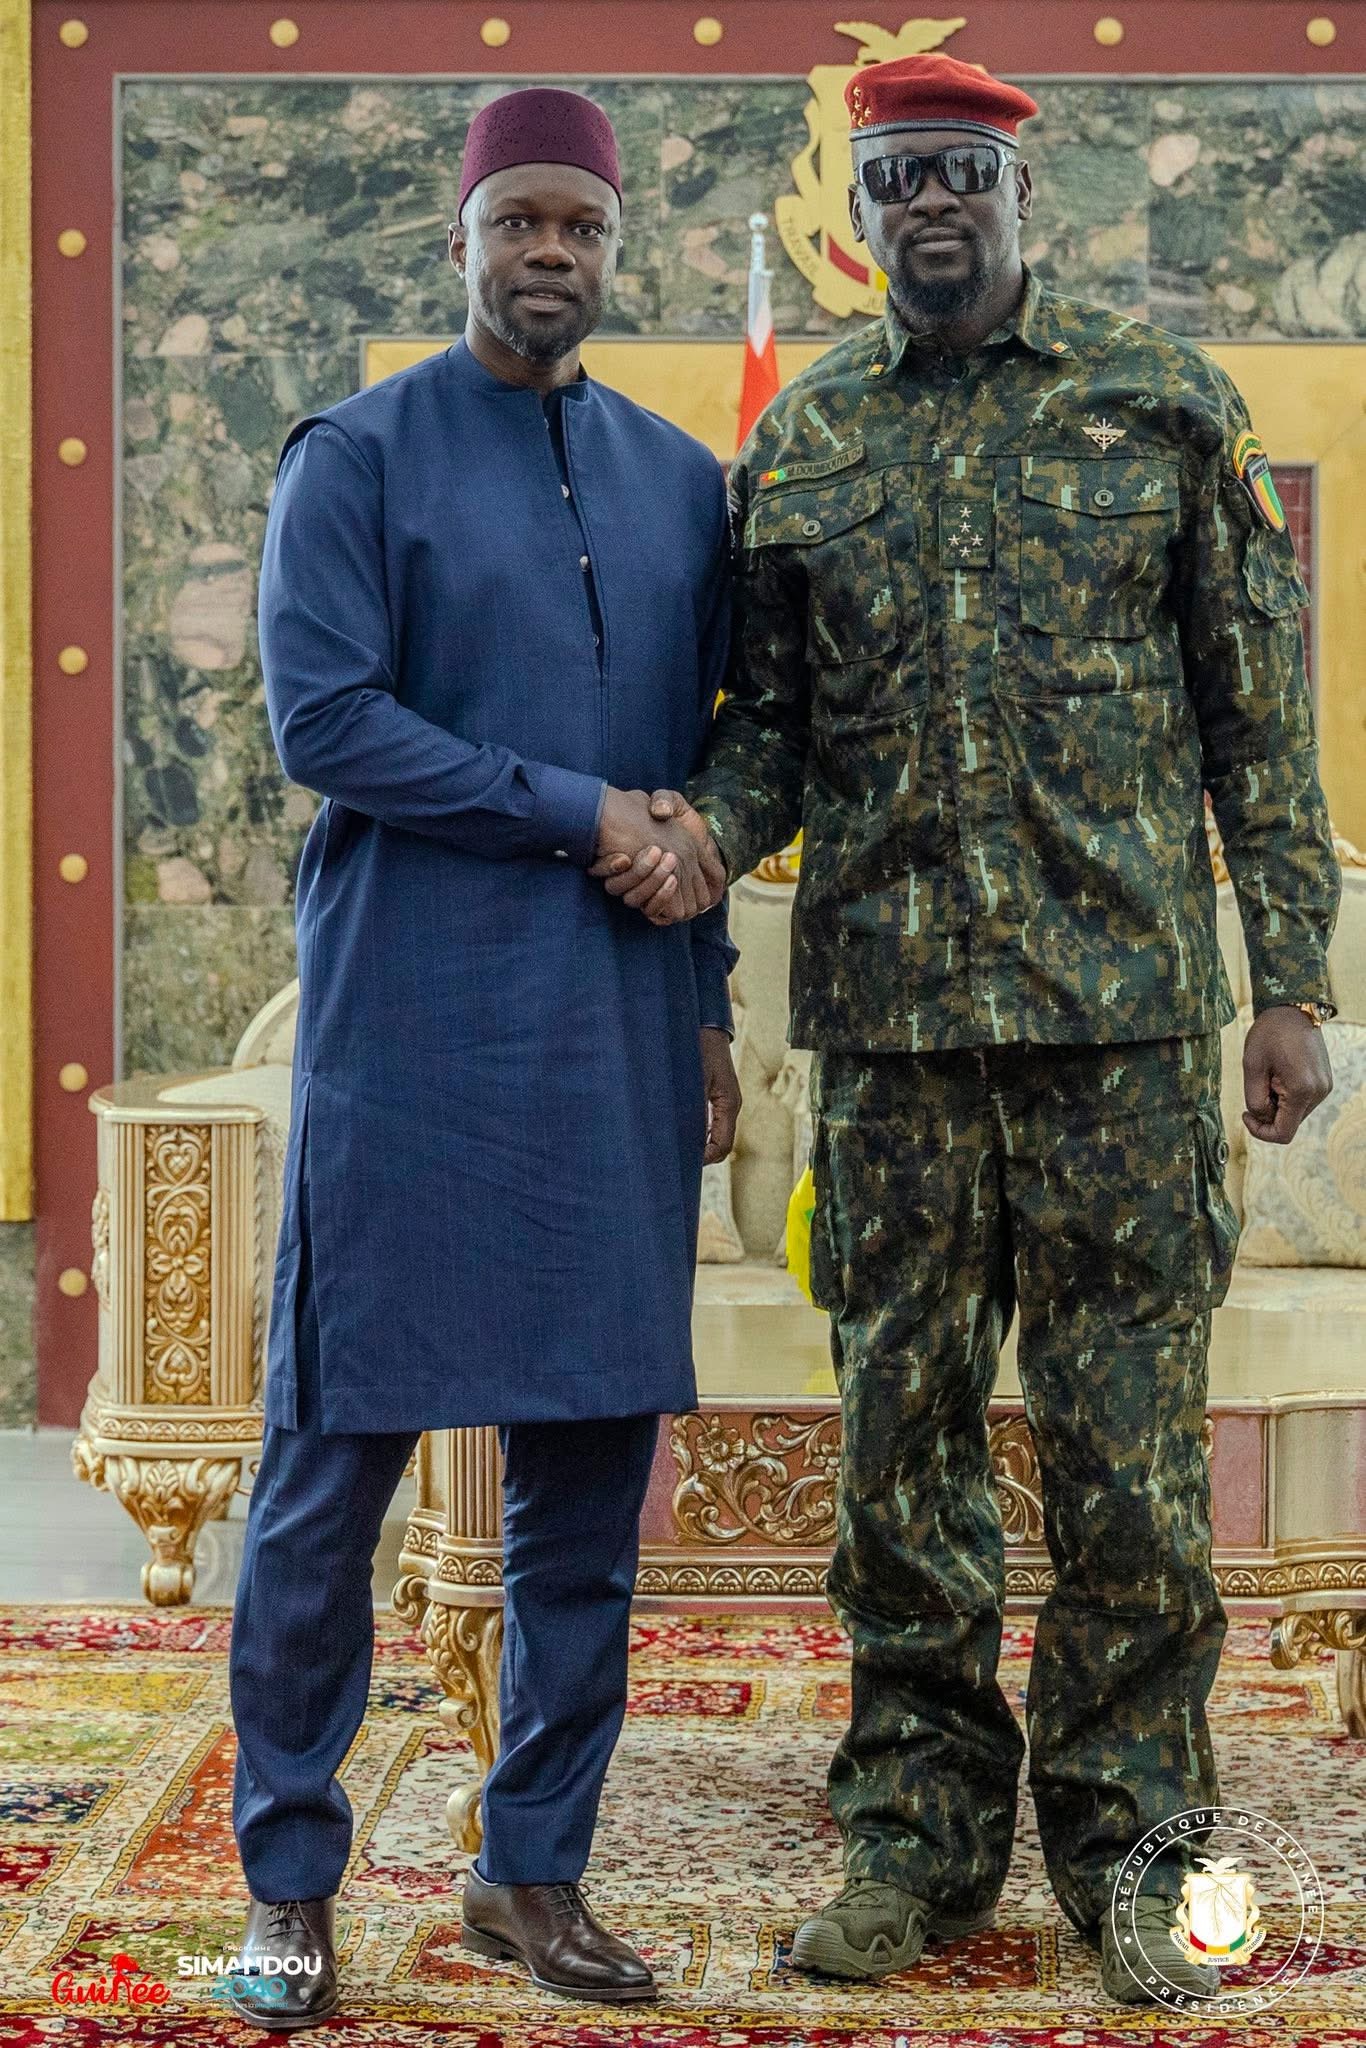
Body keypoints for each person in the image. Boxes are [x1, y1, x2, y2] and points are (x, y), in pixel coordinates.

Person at [598, 50, 1338, 2008]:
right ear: (858, 210)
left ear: (1021, 194)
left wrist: (1286, 977)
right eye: (897, 175)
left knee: (1126, 1470)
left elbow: (1257, 717)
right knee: (897, 1458)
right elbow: (765, 727)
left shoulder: (1157, 402)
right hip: (892, 1039)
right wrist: (693, 835)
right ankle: (912, 1839)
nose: (928, 202)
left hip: (1118, 1033)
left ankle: (1138, 1849)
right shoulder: (809, 437)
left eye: (959, 174)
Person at [227, 86, 736, 2028]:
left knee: (586, 1492)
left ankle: (533, 1869)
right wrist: (571, 809)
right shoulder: (354, 455)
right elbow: (324, 721)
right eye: (517, 220)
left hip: (611, 1036)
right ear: (458, 239)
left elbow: (687, 787)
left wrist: (707, 1019)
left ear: (612, 251)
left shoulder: (680, 481)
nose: (548, 253)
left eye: (578, 227)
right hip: (410, 1034)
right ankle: (288, 1882)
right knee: (325, 1485)